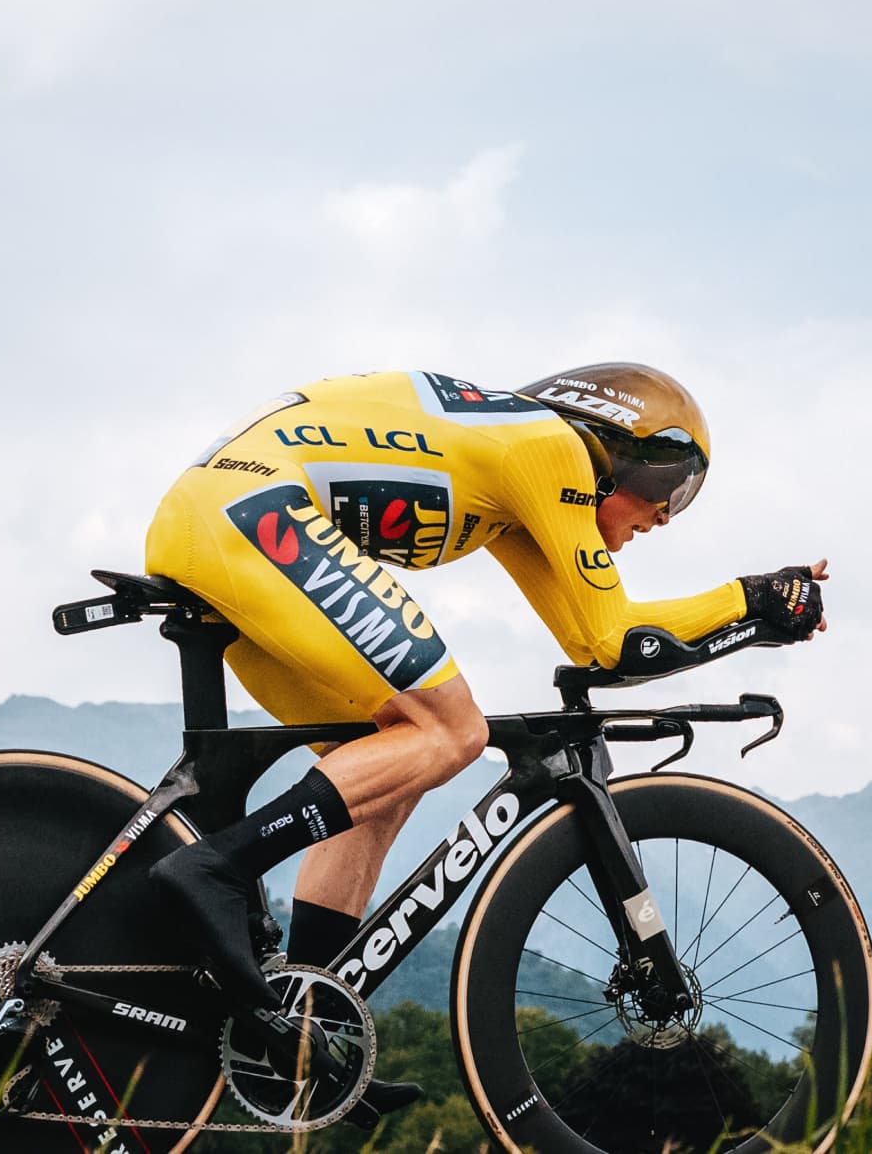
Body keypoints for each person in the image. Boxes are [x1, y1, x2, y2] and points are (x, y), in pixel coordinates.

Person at [143, 364, 826, 1116]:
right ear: (623, 454)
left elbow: (598, 645)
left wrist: (758, 617)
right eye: (667, 496)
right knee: (453, 730)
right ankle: (217, 867)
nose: (661, 520)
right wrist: (752, 598)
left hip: (220, 514)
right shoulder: (552, 451)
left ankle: (301, 1027)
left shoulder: (513, 471)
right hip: (252, 510)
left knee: (392, 766)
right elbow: (614, 635)